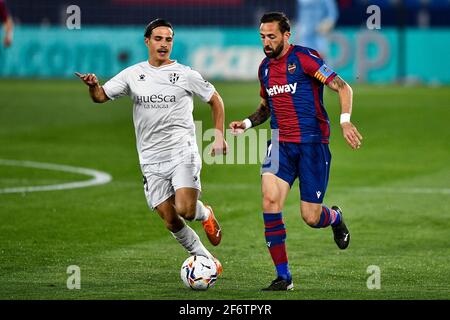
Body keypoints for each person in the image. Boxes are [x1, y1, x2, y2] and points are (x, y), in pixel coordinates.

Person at [76, 18, 227, 275]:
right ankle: (206, 259)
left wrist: (219, 135)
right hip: (150, 159)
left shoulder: (185, 74)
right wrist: (93, 87)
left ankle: (204, 213)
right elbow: (101, 97)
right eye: (158, 38)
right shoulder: (133, 74)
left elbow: (215, 100)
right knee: (170, 220)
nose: (164, 44)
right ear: (147, 41)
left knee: (186, 210)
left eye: (168, 39)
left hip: (182, 151)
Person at [230, 12, 362, 291]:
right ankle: (284, 277)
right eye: (262, 37)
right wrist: (246, 123)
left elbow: (342, 86)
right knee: (269, 201)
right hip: (280, 145)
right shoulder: (264, 69)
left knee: (311, 217)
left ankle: (335, 217)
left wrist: (345, 121)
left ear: (286, 35)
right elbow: (266, 108)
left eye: (272, 36)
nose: (266, 42)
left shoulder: (305, 59)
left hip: (313, 146)